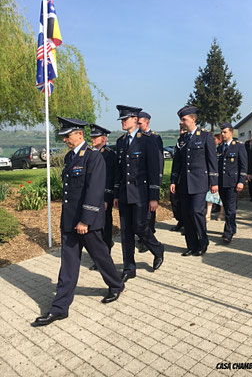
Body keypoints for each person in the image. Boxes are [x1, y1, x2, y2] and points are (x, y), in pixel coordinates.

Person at [32, 118, 124, 327]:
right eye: (63, 136)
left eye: (68, 135)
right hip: (70, 221)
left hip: (86, 222)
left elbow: (94, 191)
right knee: (68, 265)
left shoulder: (93, 158)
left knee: (101, 257)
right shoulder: (69, 158)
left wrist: (85, 220)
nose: (65, 139)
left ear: (80, 134)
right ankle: (59, 308)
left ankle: (116, 284)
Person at [113, 105, 164, 282]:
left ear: (135, 119)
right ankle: (129, 267)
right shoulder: (121, 142)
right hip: (125, 193)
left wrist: (154, 197)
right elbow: (119, 171)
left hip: (141, 193)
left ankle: (158, 249)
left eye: (125, 119)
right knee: (126, 232)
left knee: (141, 227)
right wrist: (116, 194)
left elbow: (154, 169)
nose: (123, 122)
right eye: (121, 120)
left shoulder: (147, 141)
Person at [170, 106, 218, 256]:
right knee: (186, 214)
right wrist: (173, 180)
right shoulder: (182, 139)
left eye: (184, 119)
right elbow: (177, 162)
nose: (182, 122)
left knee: (197, 212)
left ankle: (203, 242)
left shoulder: (205, 136)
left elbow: (212, 160)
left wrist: (214, 181)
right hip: (184, 183)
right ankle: (191, 245)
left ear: (193, 119)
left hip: (199, 181)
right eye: (181, 120)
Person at [89, 124, 117, 271]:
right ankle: (101, 253)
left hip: (104, 196)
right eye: (92, 137)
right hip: (93, 196)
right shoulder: (91, 153)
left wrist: (106, 198)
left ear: (104, 138)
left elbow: (110, 177)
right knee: (95, 228)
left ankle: (104, 259)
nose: (92, 139)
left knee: (104, 227)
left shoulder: (109, 154)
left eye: (95, 137)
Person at [136, 111, 164, 252]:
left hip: (151, 179)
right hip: (140, 181)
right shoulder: (137, 138)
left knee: (149, 212)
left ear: (147, 123)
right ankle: (143, 237)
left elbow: (158, 160)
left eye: (140, 123)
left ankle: (149, 235)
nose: (138, 125)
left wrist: (157, 181)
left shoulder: (154, 137)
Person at [217, 122, 248, 243]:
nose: (222, 134)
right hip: (221, 182)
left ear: (231, 132)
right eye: (221, 132)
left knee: (230, 209)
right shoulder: (219, 148)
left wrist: (241, 181)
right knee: (228, 207)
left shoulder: (239, 146)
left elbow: (244, 166)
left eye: (225, 132)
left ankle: (228, 232)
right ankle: (232, 227)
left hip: (233, 182)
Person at [170, 124, 186, 232]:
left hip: (187, 178)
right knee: (175, 201)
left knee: (186, 203)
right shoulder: (178, 143)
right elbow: (176, 162)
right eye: (181, 130)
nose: (182, 132)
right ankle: (180, 220)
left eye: (184, 130)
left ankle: (187, 224)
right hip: (177, 177)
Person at [206, 134, 224, 222]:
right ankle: (208, 213)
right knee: (210, 194)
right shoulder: (211, 148)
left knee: (221, 195)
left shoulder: (222, 148)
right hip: (212, 175)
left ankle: (221, 213)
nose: (214, 141)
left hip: (221, 175)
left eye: (215, 139)